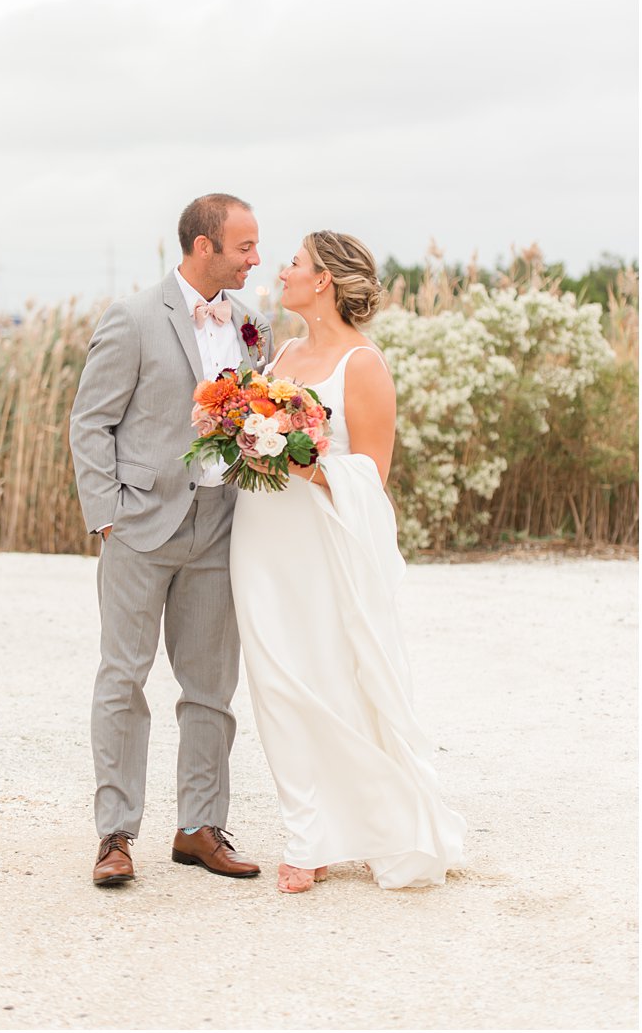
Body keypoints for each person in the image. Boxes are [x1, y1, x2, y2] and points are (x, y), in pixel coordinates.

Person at [229, 231, 466, 893]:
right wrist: (242, 436)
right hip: (259, 530)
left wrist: (306, 462)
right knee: (274, 682)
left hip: (320, 540)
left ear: (325, 279)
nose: (284, 270)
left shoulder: (362, 364)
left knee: (329, 680)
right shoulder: (283, 351)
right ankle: (307, 837)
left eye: (295, 263)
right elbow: (258, 434)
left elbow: (373, 474)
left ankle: (371, 820)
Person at [69, 193, 273, 887]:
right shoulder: (130, 319)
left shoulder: (254, 327)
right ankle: (116, 836)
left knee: (212, 684)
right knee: (122, 678)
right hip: (139, 526)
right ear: (202, 246)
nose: (256, 258)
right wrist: (108, 516)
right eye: (244, 247)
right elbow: (89, 423)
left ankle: (199, 826)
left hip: (220, 527)